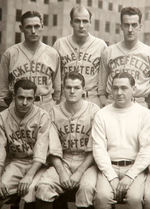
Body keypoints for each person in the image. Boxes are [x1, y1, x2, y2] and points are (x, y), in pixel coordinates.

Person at [35, 72, 100, 209]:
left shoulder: (94, 111)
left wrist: (79, 172)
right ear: (63, 89)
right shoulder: (53, 112)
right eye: (68, 87)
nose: (72, 91)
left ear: (83, 90)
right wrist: (61, 172)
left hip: (88, 161)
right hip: (63, 160)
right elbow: (53, 148)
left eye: (76, 87)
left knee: (86, 188)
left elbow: (96, 148)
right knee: (43, 187)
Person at [92, 72, 150, 209]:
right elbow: (99, 149)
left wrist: (130, 176)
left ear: (133, 90)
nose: (119, 92)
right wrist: (111, 177)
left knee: (134, 198)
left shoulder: (144, 114)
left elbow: (146, 149)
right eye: (115, 88)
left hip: (134, 167)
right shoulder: (102, 114)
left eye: (124, 88)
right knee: (102, 197)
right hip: (109, 166)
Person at [0, 79, 50, 209]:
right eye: (21, 97)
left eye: (29, 98)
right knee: (2, 188)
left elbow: (41, 150)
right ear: (13, 96)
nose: (25, 102)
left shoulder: (43, 116)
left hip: (39, 165)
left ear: (34, 99)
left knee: (33, 193)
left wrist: (29, 176)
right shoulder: (2, 117)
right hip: (17, 162)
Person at [0, 10, 61, 112]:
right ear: (21, 28)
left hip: (45, 107)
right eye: (28, 27)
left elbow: (57, 91)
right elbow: (3, 90)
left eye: (37, 26)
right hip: (17, 108)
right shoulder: (10, 54)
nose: (33, 31)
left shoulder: (52, 53)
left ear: (42, 26)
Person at [53, 5, 107, 107]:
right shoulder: (60, 44)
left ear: (90, 23)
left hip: (91, 99)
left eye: (85, 21)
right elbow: (54, 78)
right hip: (66, 100)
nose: (81, 25)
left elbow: (103, 80)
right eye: (77, 21)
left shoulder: (100, 45)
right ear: (71, 23)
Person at [100, 7, 150, 107]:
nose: (130, 29)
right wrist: (105, 103)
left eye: (134, 25)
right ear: (121, 26)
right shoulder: (109, 51)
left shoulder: (148, 52)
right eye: (127, 25)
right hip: (113, 103)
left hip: (139, 104)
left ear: (140, 26)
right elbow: (101, 88)